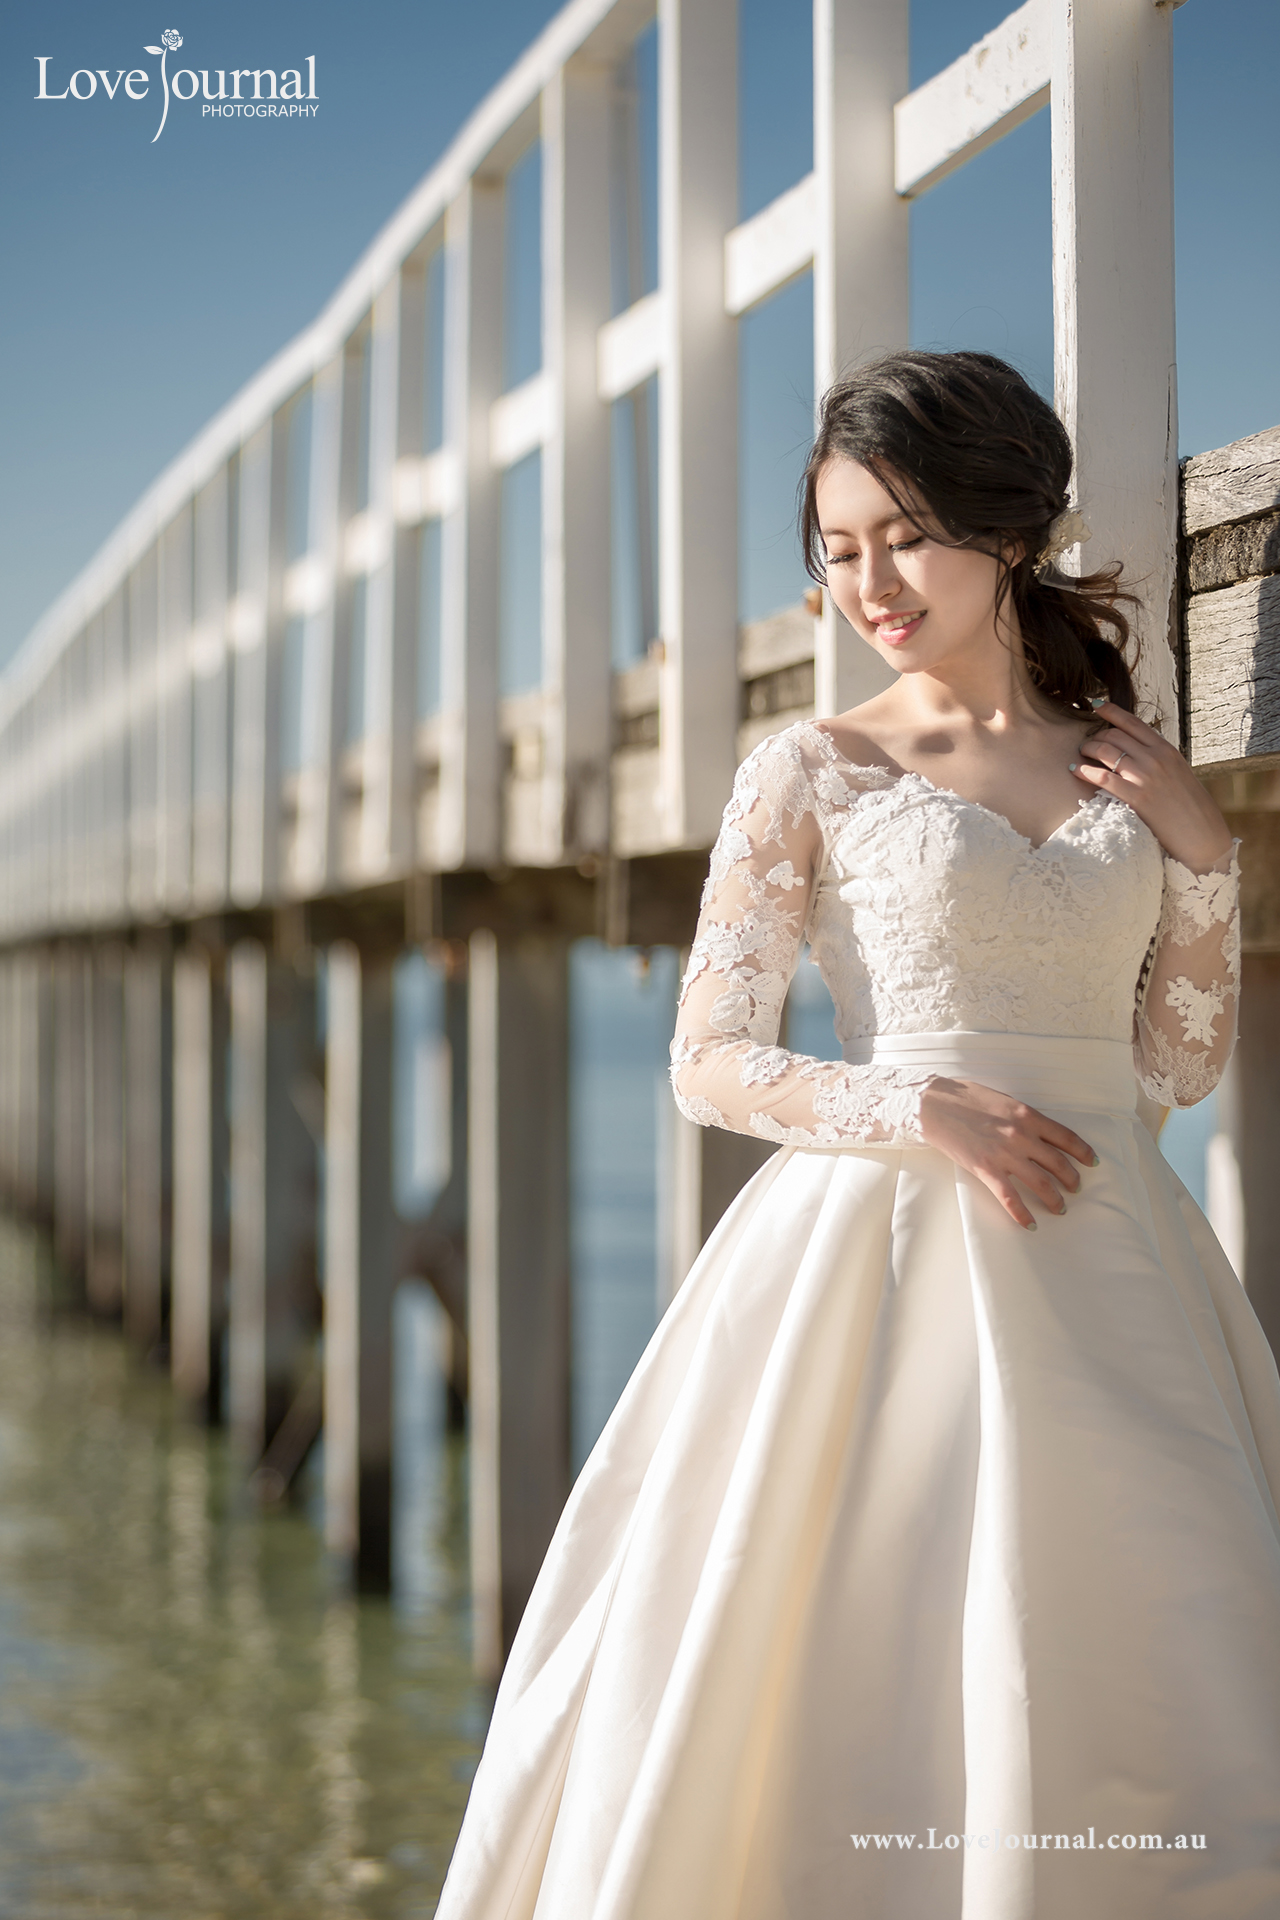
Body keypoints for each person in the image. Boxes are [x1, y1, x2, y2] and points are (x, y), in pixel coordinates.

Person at [436, 352, 1280, 1919]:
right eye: (837, 549)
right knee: (859, 1664)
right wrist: (915, 1100)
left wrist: (1205, 852)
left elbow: (1175, 1068)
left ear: (1007, 525)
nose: (869, 582)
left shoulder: (1118, 758)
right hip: (881, 1260)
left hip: (1117, 1266)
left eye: (904, 534)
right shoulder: (813, 768)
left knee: (1149, 1654)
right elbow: (708, 1059)